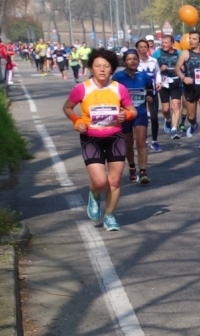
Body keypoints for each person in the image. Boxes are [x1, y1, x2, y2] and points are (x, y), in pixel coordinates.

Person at [62, 48, 137, 231]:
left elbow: (132, 110)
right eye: (97, 66)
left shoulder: (119, 88)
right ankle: (94, 194)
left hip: (115, 138)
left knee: (115, 181)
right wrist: (77, 121)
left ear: (112, 69)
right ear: (91, 68)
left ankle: (109, 216)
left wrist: (126, 115)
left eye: (106, 66)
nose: (102, 69)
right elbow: (67, 107)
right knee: (100, 182)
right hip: (91, 139)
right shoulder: (82, 89)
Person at [112, 49, 155, 185]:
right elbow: (111, 93)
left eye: (135, 59)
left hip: (140, 112)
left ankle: (143, 172)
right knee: (128, 143)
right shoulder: (118, 77)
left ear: (138, 61)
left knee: (141, 142)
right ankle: (132, 167)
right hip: (125, 114)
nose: (132, 61)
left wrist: (149, 96)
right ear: (124, 61)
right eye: (129, 59)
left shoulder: (143, 76)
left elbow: (150, 88)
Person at [153, 35, 183, 139]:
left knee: (176, 106)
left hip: (176, 82)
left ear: (172, 44)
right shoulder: (158, 53)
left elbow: (185, 64)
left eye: (166, 43)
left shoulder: (178, 53)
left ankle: (174, 130)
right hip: (163, 83)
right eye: (163, 42)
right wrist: (160, 68)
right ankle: (168, 119)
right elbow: (152, 67)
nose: (164, 44)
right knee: (165, 109)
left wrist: (183, 67)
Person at [137, 39, 163, 153]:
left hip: (152, 90)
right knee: (141, 117)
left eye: (145, 47)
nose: (143, 49)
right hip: (139, 92)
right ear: (137, 49)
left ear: (148, 48)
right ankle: (144, 141)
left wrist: (159, 82)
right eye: (141, 47)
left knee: (154, 117)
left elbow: (157, 73)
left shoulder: (153, 60)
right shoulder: (135, 61)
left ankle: (154, 141)